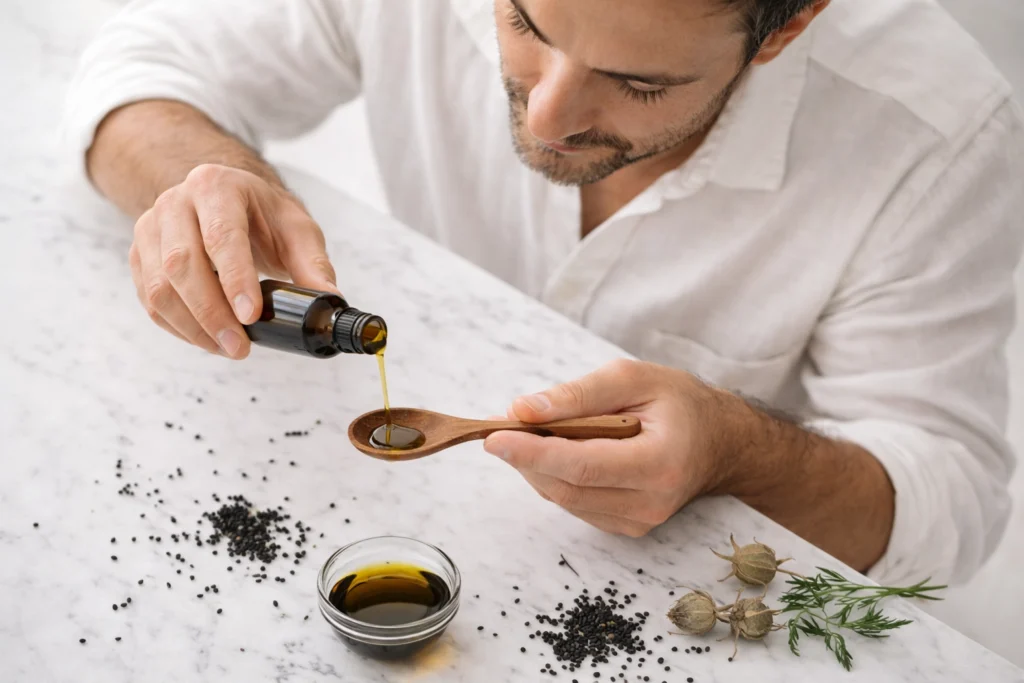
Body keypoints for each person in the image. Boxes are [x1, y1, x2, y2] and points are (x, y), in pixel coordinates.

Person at [65, 0, 1023, 585]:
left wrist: (736, 452)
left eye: (637, 82)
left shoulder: (935, 133)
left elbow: (950, 500)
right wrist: (196, 177)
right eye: (525, 21)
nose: (550, 115)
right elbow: (145, 61)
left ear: (793, 21)